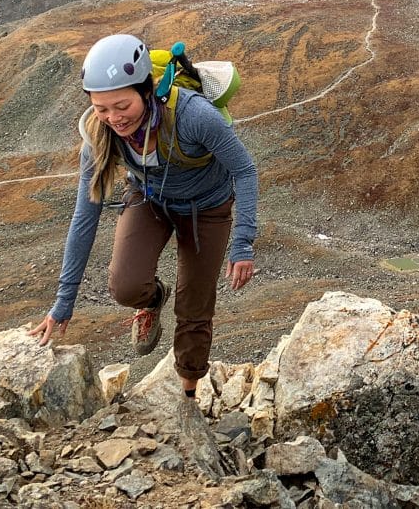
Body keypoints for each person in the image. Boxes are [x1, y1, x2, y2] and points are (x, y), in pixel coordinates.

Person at [30, 33, 258, 400]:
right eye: (101, 108)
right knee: (125, 286)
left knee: (194, 308)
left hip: (207, 208)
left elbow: (245, 171)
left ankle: (187, 396)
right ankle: (152, 300)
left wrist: (243, 243)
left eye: (121, 105)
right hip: (150, 198)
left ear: (146, 91)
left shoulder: (193, 116)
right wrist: (63, 303)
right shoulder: (97, 133)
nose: (113, 118)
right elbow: (84, 216)